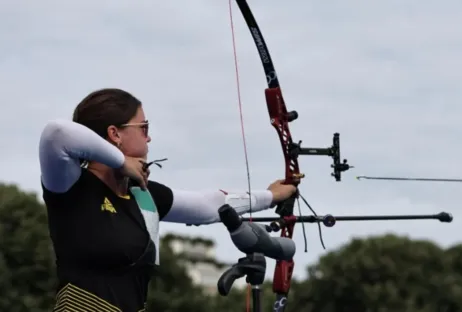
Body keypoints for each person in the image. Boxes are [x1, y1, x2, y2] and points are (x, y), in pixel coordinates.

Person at [38, 88, 297, 312]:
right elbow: (56, 133)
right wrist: (120, 162)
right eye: (143, 128)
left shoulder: (143, 196)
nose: (149, 137)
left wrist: (271, 196)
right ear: (115, 134)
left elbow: (210, 204)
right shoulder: (72, 184)